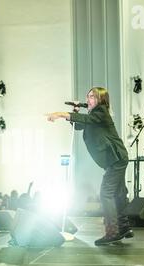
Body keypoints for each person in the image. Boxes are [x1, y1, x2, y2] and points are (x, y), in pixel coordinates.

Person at [45, 87, 132, 245]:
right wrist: (75, 111)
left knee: (106, 193)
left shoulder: (101, 112)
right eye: (88, 96)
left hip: (116, 158)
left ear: (100, 100)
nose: (88, 99)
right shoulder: (94, 115)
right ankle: (124, 227)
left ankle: (112, 231)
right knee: (118, 193)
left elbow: (84, 120)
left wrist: (59, 114)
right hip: (115, 159)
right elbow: (78, 125)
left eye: (92, 97)